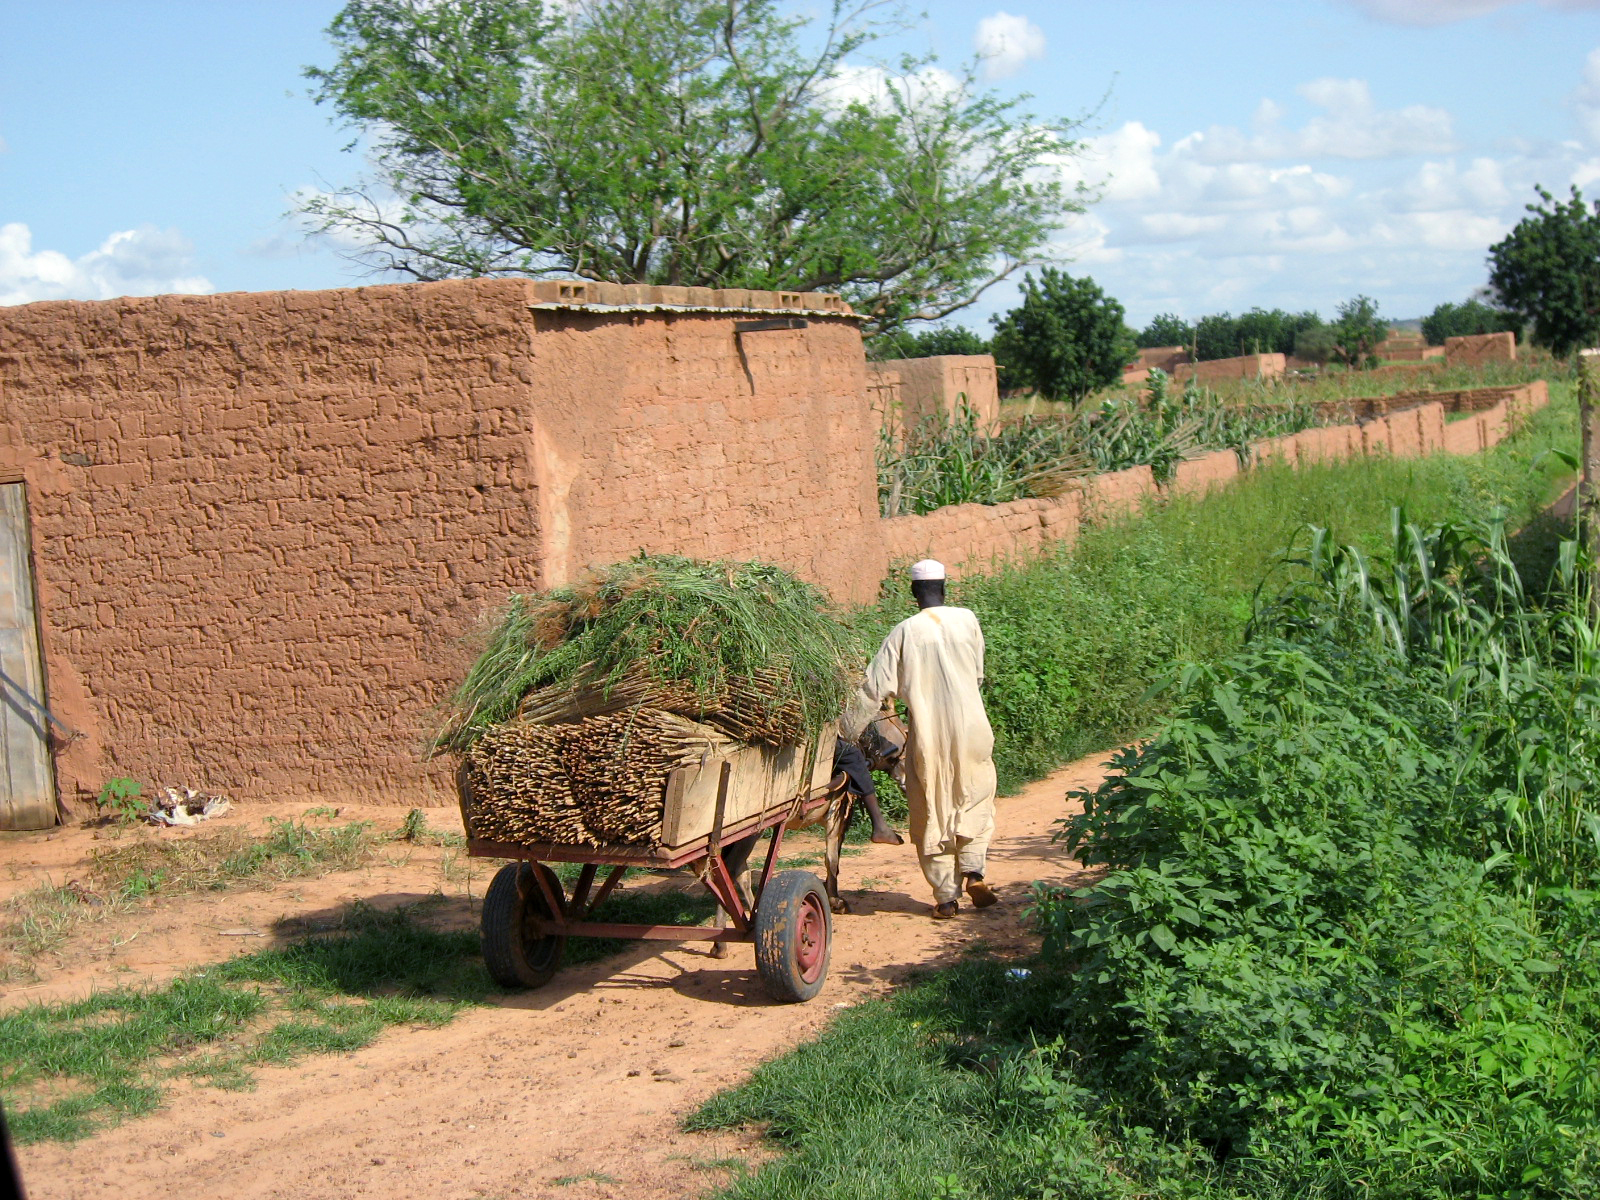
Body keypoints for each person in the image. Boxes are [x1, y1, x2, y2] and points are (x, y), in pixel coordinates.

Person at [842, 559, 997, 919]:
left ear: (914, 592)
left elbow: (873, 689)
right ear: (945, 587)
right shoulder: (967, 620)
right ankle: (973, 870)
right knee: (976, 796)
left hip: (928, 735)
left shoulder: (903, 632)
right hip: (974, 728)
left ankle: (945, 897)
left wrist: (844, 731)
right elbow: (977, 676)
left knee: (929, 808)